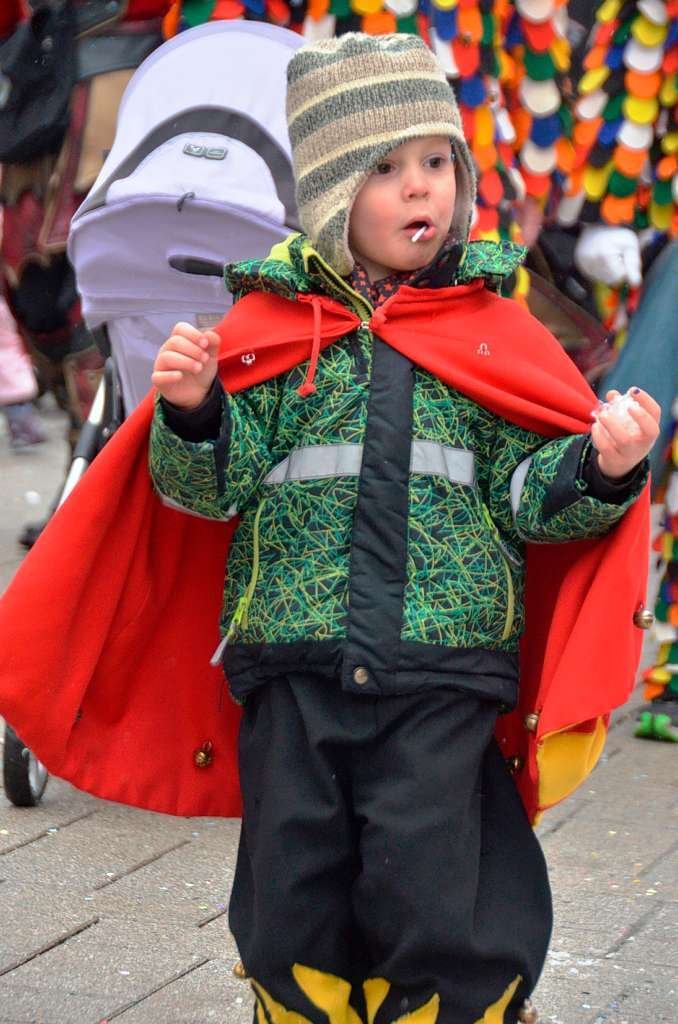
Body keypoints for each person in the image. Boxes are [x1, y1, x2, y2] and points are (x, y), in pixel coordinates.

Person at [146, 33, 659, 1024]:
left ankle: (455, 1007)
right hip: (293, 660)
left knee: (437, 882)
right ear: (335, 194)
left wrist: (600, 466)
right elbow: (212, 487)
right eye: (388, 168)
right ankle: (299, 1007)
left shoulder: (493, 328)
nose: (422, 186)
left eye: (437, 162)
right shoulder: (276, 329)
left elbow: (523, 494)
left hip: (443, 665)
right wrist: (198, 410)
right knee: (290, 883)